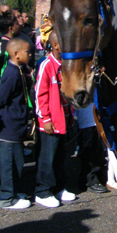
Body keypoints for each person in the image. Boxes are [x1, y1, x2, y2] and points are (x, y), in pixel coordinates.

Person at [34, 31, 76, 206]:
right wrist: (45, 119)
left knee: (61, 156)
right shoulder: (47, 65)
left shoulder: (67, 65)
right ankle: (43, 191)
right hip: (50, 122)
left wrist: (72, 115)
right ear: (56, 46)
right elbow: (39, 95)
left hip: (64, 120)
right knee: (47, 158)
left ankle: (59, 187)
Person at [0, 38, 33, 209]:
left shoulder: (20, 70)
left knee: (17, 160)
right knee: (8, 162)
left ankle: (14, 191)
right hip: (8, 125)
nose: (30, 55)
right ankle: (6, 197)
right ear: (16, 54)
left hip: (17, 124)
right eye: (27, 52)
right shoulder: (11, 73)